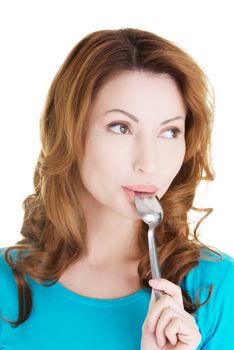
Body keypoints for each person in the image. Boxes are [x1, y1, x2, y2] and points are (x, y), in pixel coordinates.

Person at [0, 28, 233, 350]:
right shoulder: (4, 284)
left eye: (169, 132)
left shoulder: (216, 288)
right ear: (69, 132)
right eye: (121, 127)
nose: (148, 163)